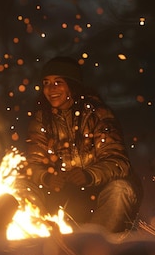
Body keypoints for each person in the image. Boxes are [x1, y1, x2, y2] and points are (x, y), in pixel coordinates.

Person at [20, 56, 143, 233]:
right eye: (46, 83)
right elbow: (33, 164)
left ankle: (94, 247)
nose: (50, 89)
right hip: (61, 196)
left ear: (72, 84)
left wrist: (88, 175)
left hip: (96, 192)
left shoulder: (97, 115)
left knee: (120, 189)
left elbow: (118, 161)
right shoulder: (42, 120)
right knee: (20, 186)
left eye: (58, 82)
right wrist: (48, 177)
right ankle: (40, 242)